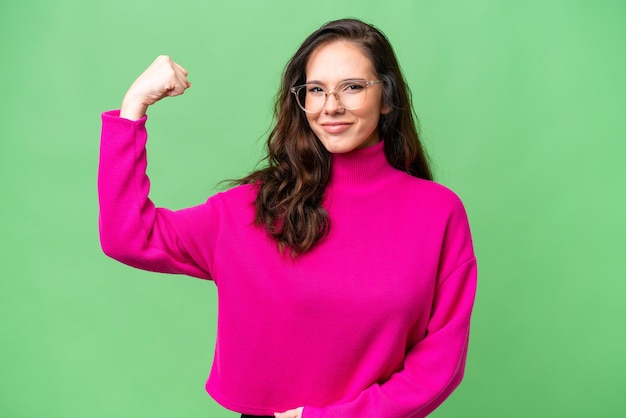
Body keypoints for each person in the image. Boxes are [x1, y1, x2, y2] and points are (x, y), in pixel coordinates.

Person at [98, 18, 477, 418]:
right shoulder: (254, 208)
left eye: (352, 87)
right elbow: (130, 235)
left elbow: (440, 362)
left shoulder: (438, 213)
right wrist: (133, 107)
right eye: (315, 90)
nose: (331, 106)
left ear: (386, 97)